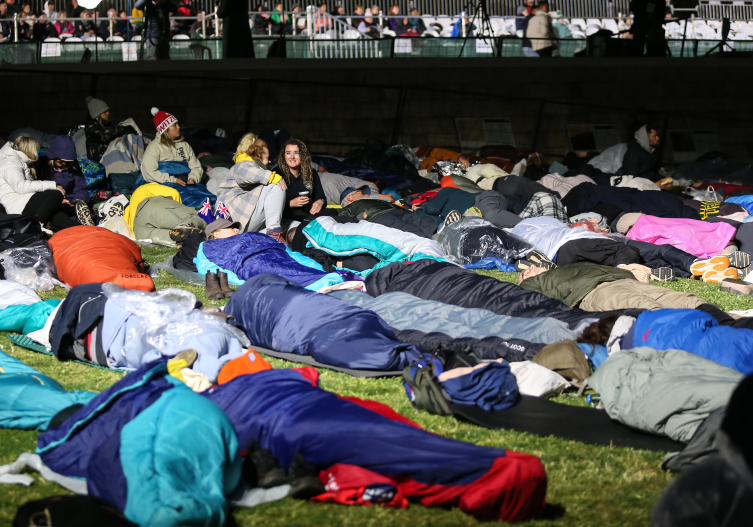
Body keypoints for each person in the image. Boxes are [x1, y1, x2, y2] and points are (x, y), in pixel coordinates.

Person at [518, 262, 709, 311]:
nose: (531, 267)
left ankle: (730, 323)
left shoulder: (565, 268)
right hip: (596, 292)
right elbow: (529, 301)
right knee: (647, 308)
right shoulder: (533, 284)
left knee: (687, 300)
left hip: (626, 281)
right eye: (526, 271)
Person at [215, 133, 287, 241]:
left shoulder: (245, 164)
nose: (269, 161)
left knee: (287, 224)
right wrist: (271, 176)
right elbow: (246, 173)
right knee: (275, 186)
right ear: (258, 156)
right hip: (234, 217)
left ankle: (271, 234)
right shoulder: (243, 164)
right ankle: (273, 232)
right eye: (267, 157)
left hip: (240, 219)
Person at [0, 135, 78, 230]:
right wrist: (53, 185)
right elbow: (20, 186)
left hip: (23, 203)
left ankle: (82, 230)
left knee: (57, 213)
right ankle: (34, 227)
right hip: (16, 207)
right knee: (56, 194)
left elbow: (29, 189)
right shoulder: (11, 162)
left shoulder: (20, 162)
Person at [339, 185, 443, 239]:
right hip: (379, 215)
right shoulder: (348, 208)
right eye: (360, 192)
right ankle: (432, 246)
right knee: (408, 230)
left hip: (397, 210)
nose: (366, 195)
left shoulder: (370, 199)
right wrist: (362, 216)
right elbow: (344, 222)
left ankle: (442, 235)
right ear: (349, 197)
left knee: (422, 221)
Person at [40, 135, 95, 226]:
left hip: (70, 204)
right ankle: (81, 227)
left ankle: (88, 221)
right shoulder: (42, 167)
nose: (64, 163)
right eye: (61, 160)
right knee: (60, 218)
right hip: (51, 204)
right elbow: (38, 190)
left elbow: (81, 187)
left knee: (83, 213)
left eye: (67, 161)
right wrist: (58, 201)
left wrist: (78, 200)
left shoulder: (73, 166)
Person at [142, 108, 203, 186]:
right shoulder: (154, 147)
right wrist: (173, 180)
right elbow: (149, 171)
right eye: (174, 125)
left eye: (178, 124)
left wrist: (193, 178)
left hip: (185, 183)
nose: (179, 127)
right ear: (165, 130)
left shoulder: (185, 145)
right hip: (162, 184)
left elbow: (196, 166)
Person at [277, 139, 335, 221]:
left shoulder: (311, 172)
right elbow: (271, 203)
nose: (292, 157)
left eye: (296, 153)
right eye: (288, 153)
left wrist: (320, 202)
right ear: (284, 156)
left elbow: (321, 196)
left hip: (309, 213)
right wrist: (291, 203)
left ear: (303, 155)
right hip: (287, 215)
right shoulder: (277, 174)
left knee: (333, 213)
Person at [84, 96, 136, 162]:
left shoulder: (109, 126)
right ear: (99, 113)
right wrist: (123, 129)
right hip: (97, 164)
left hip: (111, 160)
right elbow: (103, 135)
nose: (108, 113)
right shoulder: (90, 127)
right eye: (105, 111)